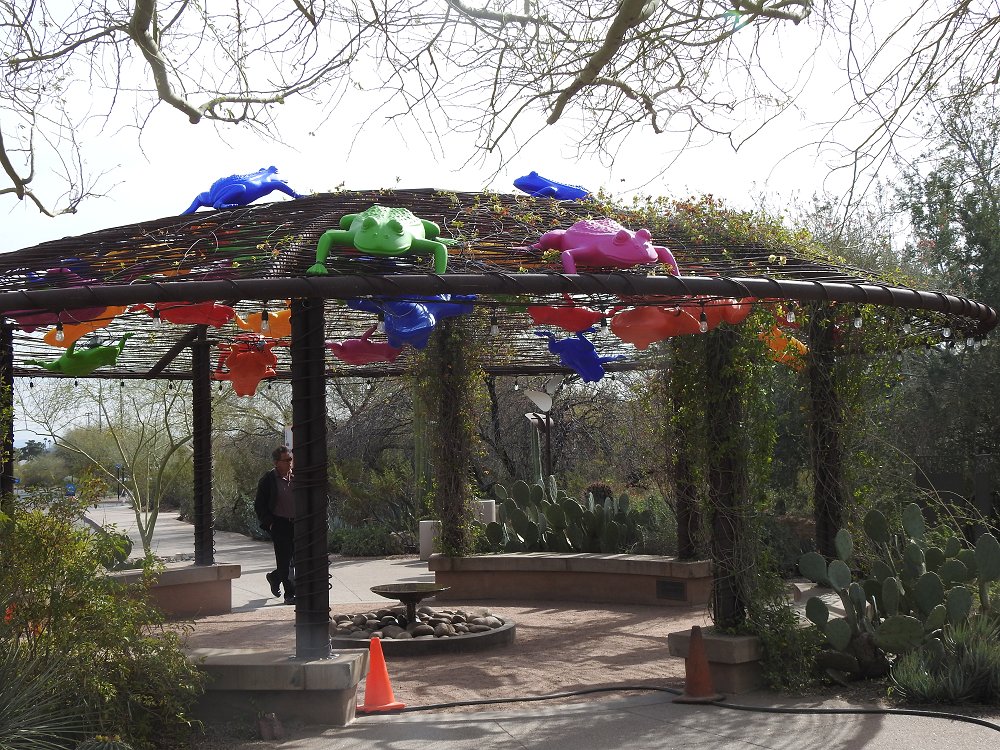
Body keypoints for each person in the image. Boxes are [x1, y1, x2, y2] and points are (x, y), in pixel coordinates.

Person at [254, 445, 296, 604]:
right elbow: (259, 505)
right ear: (276, 463)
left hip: (297, 524)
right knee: (285, 560)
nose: (289, 463)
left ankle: (274, 577)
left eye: (290, 459)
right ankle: (290, 594)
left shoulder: (296, 477)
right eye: (286, 460)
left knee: (296, 560)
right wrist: (270, 523)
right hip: (279, 524)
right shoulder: (268, 480)